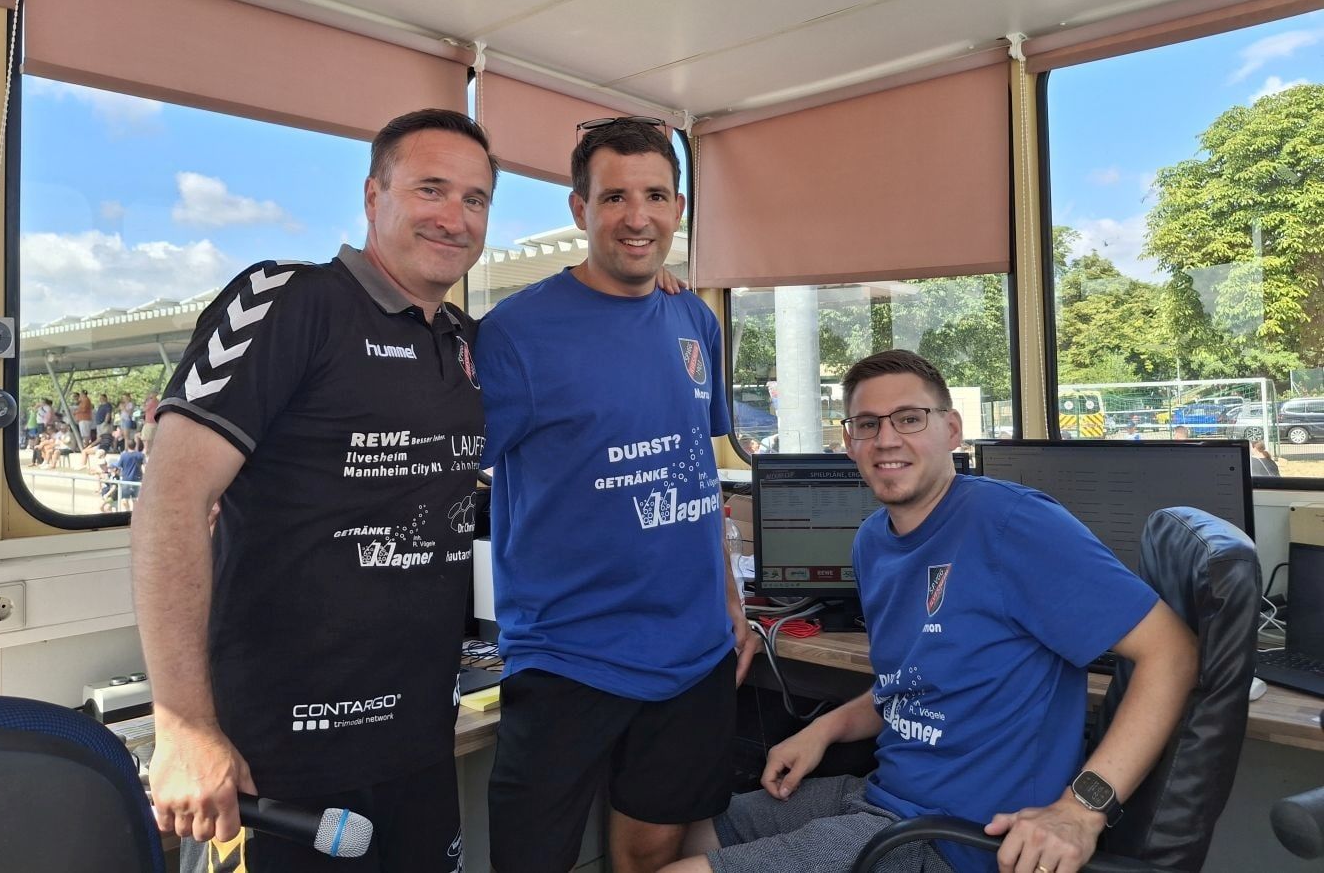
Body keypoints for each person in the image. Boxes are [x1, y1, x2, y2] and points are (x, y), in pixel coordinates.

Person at [131, 108, 498, 873]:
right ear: (373, 196)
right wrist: (185, 728)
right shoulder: (287, 301)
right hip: (277, 765)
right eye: (430, 189)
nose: (454, 217)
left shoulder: (465, 343)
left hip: (419, 744)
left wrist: (645, 285)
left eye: (475, 199)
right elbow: (170, 501)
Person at [663, 349, 1198, 873]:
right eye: (868, 424)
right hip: (882, 798)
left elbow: (1171, 652)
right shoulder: (873, 541)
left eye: (909, 418)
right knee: (681, 833)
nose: (886, 439)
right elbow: (912, 683)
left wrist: (1082, 811)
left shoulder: (1013, 523)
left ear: (952, 430)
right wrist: (823, 730)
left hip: (955, 841)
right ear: (849, 443)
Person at [475, 116, 759, 873]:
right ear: (580, 209)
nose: (638, 217)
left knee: (651, 858)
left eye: (655, 196)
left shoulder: (694, 317)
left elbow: (696, 473)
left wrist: (731, 601)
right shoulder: (514, 334)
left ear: (679, 207)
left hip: (694, 654)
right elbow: (447, 473)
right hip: (566, 657)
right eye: (614, 198)